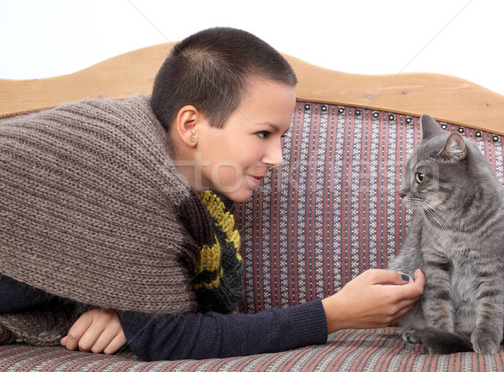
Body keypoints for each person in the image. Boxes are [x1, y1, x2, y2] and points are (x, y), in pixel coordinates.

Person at [0, 27, 425, 361]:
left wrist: (124, 306)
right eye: (263, 133)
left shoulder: (192, 194)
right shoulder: (127, 164)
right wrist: (334, 314)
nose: (277, 158)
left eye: (281, 137)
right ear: (190, 126)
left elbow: (146, 309)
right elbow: (166, 337)